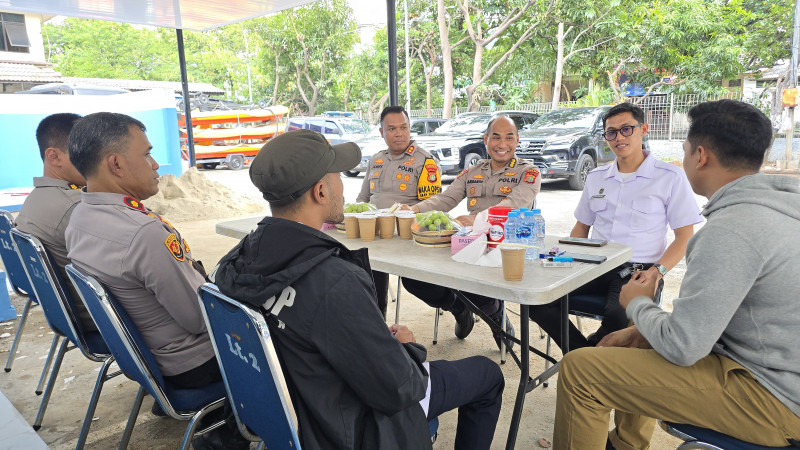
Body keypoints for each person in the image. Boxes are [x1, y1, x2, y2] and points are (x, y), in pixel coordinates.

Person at [214, 129, 505, 450]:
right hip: (350, 426)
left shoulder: (235, 261)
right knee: (488, 375)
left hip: (288, 415)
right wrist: (407, 349)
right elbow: (401, 387)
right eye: (337, 175)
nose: (343, 186)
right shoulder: (333, 279)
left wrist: (374, 339)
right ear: (320, 191)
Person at [553, 99, 800, 449]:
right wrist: (644, 329)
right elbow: (715, 320)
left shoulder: (729, 229)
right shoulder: (779, 209)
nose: (619, 137)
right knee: (628, 336)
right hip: (765, 367)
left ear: (700, 156)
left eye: (684, 151)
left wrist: (640, 304)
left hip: (770, 395)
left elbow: (683, 347)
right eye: (611, 132)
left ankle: (624, 437)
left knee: (581, 371)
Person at [63, 112, 248, 449]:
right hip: (194, 363)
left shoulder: (79, 217)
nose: (155, 164)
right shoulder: (143, 233)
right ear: (116, 164)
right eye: (147, 154)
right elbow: (199, 318)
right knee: (291, 329)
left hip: (150, 356)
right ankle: (238, 430)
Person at [529, 102, 702, 352]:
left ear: (644, 129)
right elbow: (581, 227)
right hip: (593, 264)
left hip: (639, 269)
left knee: (618, 316)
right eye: (611, 132)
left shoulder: (669, 177)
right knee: (537, 297)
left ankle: (588, 357)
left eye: (626, 129)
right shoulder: (596, 177)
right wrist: (566, 261)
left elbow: (685, 236)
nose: (619, 137)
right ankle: (584, 356)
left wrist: (657, 272)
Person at [399, 115, 541, 343]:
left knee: (468, 276)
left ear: (517, 141)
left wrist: (476, 219)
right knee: (415, 278)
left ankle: (496, 317)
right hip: (470, 243)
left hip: (505, 247)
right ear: (486, 140)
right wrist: (414, 209)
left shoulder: (529, 172)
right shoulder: (473, 171)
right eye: (496, 137)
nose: (502, 144)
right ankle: (460, 309)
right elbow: (446, 199)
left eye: (509, 138)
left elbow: (513, 204)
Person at [355, 105, 442, 318]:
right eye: (392, 129)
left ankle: (459, 309)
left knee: (417, 284)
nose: (399, 133)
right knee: (362, 275)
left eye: (404, 127)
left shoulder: (425, 160)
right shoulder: (376, 159)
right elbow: (363, 199)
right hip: (375, 237)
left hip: (407, 239)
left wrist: (411, 212)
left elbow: (436, 204)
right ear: (382, 132)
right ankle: (378, 325)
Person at [16, 113, 98, 331]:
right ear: (54, 157)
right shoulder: (77, 206)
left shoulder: (37, 197)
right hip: (102, 322)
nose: (96, 161)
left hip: (66, 315)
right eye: (84, 153)